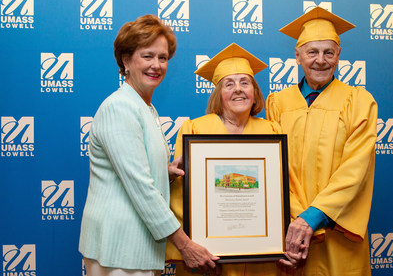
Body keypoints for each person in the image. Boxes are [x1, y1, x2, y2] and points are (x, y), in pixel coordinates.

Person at [78, 14, 219, 276]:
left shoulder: (145, 107)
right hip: (118, 248)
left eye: (163, 58)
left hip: (136, 247)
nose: (156, 65)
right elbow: (140, 186)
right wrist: (185, 245)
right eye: (147, 55)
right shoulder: (120, 107)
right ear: (126, 60)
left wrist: (165, 171)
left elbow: (131, 170)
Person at [266, 7, 377, 276]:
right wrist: (296, 216)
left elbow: (356, 169)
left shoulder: (359, 101)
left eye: (329, 52)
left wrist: (312, 216)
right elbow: (273, 167)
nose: (320, 60)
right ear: (298, 55)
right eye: (312, 52)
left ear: (339, 55)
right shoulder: (277, 103)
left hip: (338, 233)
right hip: (289, 232)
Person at [165, 43, 282, 275]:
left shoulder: (272, 131)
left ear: (255, 91)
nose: (238, 89)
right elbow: (180, 196)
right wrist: (193, 247)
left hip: (261, 257)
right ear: (219, 94)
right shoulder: (195, 129)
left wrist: (280, 241)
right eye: (229, 84)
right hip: (209, 257)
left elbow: (281, 192)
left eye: (245, 82)